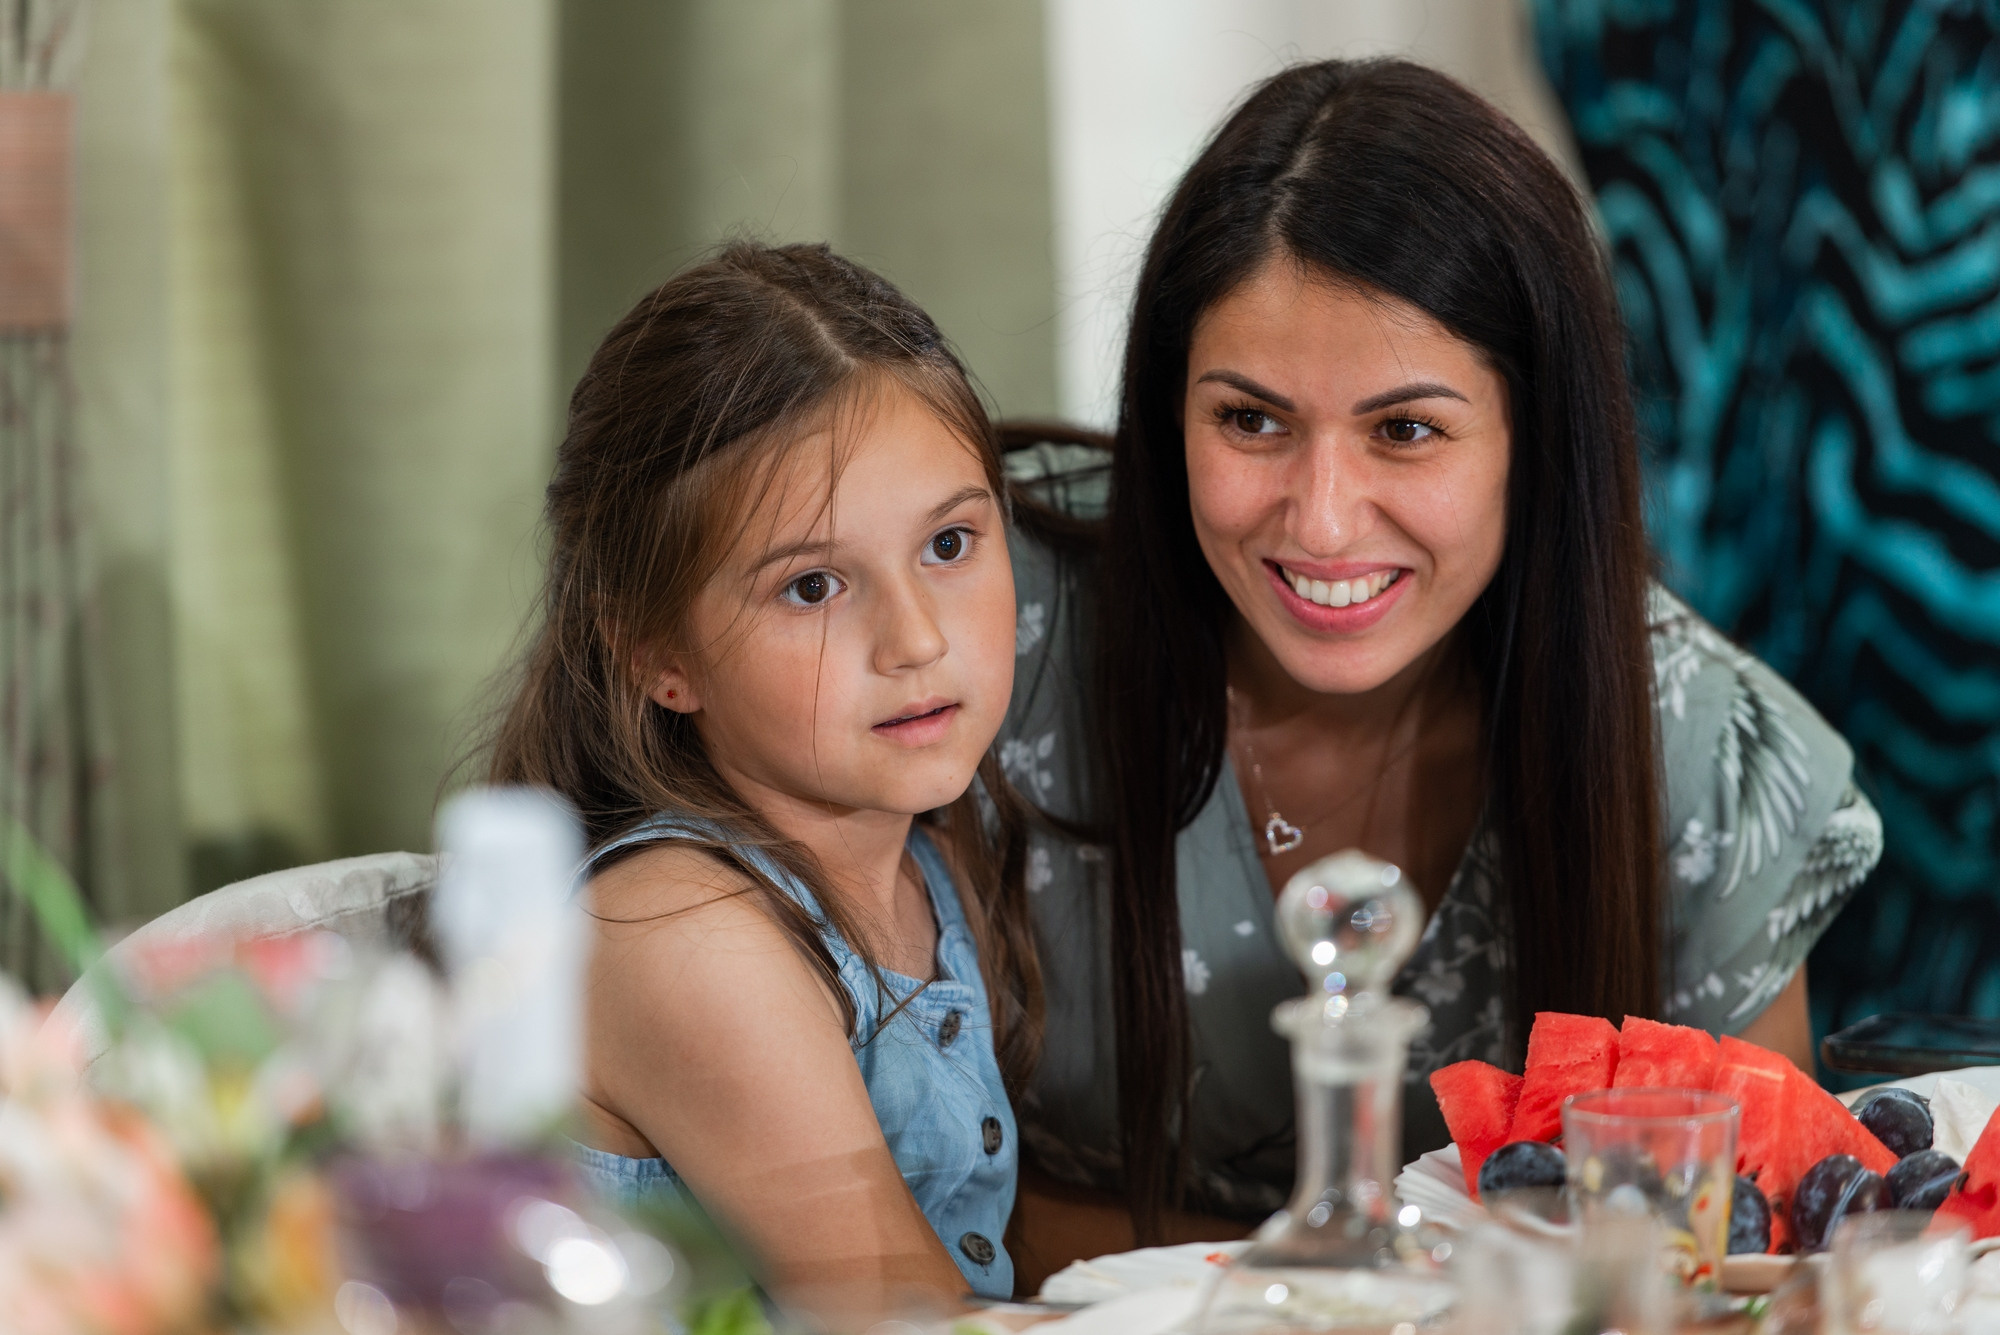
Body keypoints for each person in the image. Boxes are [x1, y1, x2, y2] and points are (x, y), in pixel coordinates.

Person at [997, 58, 1884, 1283]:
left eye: (1403, 431)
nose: (1317, 521)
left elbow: (1736, 1257)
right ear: (1165, 411)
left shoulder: (1698, 756)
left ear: (1537, 440)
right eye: (1248, 420)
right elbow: (878, 1191)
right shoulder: (984, 635)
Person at [487, 242, 1041, 1317]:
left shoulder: (925, 860)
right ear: (658, 655)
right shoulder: (680, 931)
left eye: (949, 542)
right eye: (814, 585)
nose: (916, 638)